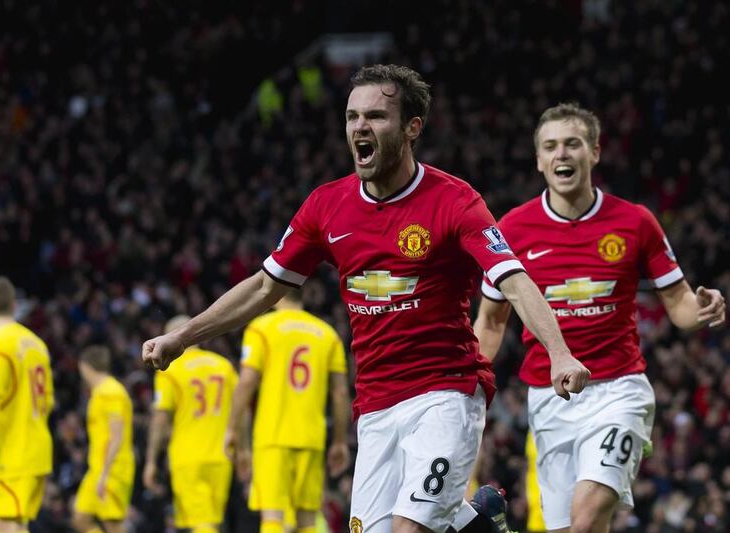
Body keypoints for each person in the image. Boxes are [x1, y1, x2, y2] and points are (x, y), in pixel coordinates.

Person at [142, 64, 590, 533]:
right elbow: (263, 286)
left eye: (376, 116)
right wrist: (184, 335)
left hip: (445, 392)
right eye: (353, 116)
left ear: (411, 128)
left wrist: (559, 353)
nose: (360, 126)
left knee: (408, 529)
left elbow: (514, 279)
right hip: (375, 405)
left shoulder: (455, 201)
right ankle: (478, 521)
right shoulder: (326, 206)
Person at [474, 102, 726, 533]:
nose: (562, 155)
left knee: (587, 516)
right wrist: (467, 383)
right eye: (551, 146)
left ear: (594, 152)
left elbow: (679, 303)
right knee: (568, 528)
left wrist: (701, 309)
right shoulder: (513, 229)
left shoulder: (636, 222)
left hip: (619, 392)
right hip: (549, 398)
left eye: (573, 144)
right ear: (539, 160)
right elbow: (492, 322)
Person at [224, 288, 351, 533]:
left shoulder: (262, 328)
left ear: (275, 293)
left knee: (272, 516)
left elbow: (247, 382)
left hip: (273, 436)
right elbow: (340, 393)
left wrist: (232, 429)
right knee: (307, 520)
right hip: (311, 437)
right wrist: (338, 441)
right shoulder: (327, 334)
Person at [0, 276, 55, 533]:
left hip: (15, 452)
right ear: (14, 305)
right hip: (38, 449)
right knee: (14, 524)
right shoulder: (37, 344)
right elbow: (49, 400)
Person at [143, 315, 239, 533]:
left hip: (188, 457)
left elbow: (160, 418)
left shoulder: (170, 371)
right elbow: (240, 411)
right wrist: (242, 449)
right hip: (221, 456)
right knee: (209, 521)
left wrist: (151, 461)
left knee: (201, 524)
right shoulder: (224, 366)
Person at [73, 345, 135, 533]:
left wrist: (105, 473)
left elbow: (117, 436)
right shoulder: (101, 392)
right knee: (80, 518)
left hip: (113, 468)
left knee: (112, 524)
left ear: (85, 366)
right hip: (98, 468)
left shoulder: (111, 392)